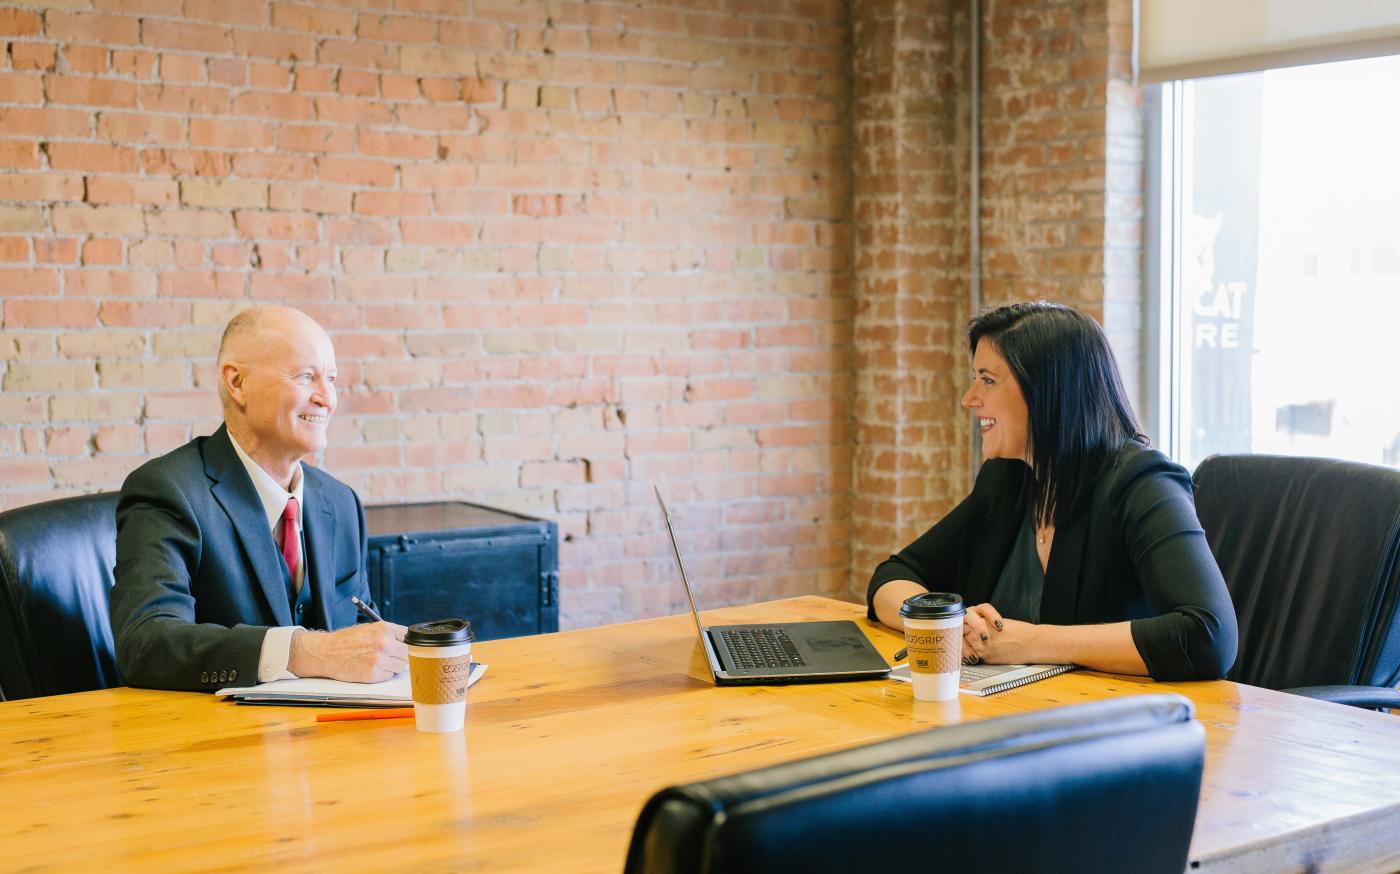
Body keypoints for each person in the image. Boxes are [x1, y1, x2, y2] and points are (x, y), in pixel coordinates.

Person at [867, 302, 1237, 681]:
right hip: (1023, 715)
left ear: (1047, 391)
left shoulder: (1143, 483)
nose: (969, 398)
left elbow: (1208, 637)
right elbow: (893, 575)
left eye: (988, 380)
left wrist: (1030, 643)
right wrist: (948, 626)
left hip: (1117, 723)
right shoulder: (1008, 479)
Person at [111, 306, 407, 692]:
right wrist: (303, 652)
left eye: (331, 379)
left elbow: (360, 633)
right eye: (306, 377)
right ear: (237, 383)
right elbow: (145, 645)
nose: (327, 398)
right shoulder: (168, 490)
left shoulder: (340, 502)